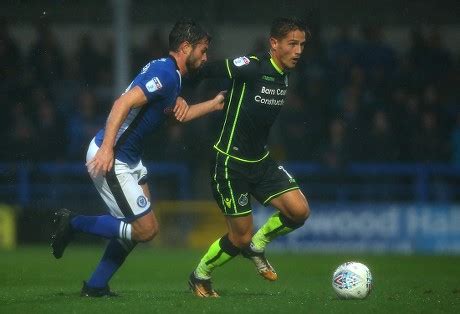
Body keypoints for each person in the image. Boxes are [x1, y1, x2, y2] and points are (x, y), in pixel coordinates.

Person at [50, 18, 225, 297]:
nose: (206, 58)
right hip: (114, 156)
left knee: (136, 226)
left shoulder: (171, 76)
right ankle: (72, 223)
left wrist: (214, 104)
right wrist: (108, 148)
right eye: (202, 51)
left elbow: (182, 115)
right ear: (185, 47)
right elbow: (123, 102)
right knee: (145, 230)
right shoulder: (166, 74)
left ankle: (95, 286)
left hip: (130, 158)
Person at [187, 17, 311, 297]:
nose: (299, 50)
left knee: (299, 211)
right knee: (239, 235)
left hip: (261, 162)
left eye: (302, 44)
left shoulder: (284, 72)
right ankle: (200, 276)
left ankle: (259, 245)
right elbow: (207, 70)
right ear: (274, 44)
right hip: (230, 164)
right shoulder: (253, 67)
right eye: (292, 44)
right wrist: (177, 90)